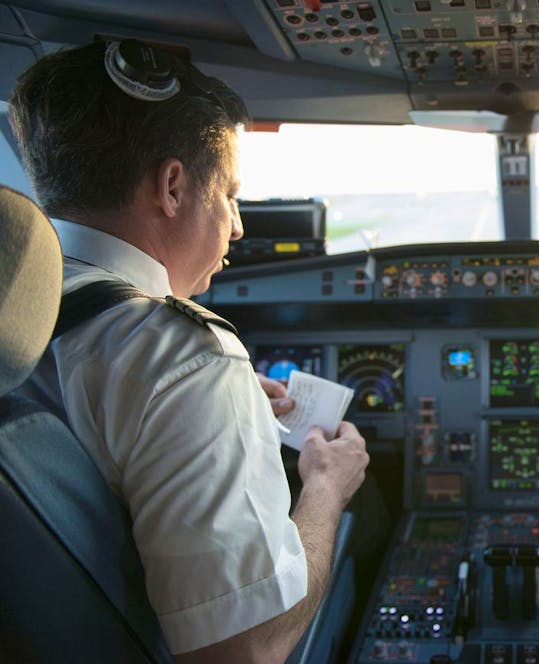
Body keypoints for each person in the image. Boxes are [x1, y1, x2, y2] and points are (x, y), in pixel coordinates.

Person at [8, 40, 369, 662]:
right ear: (173, 186)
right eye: (229, 194)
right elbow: (246, 650)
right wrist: (326, 489)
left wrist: (211, 411)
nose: (238, 226)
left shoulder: (21, 305)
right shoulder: (183, 359)